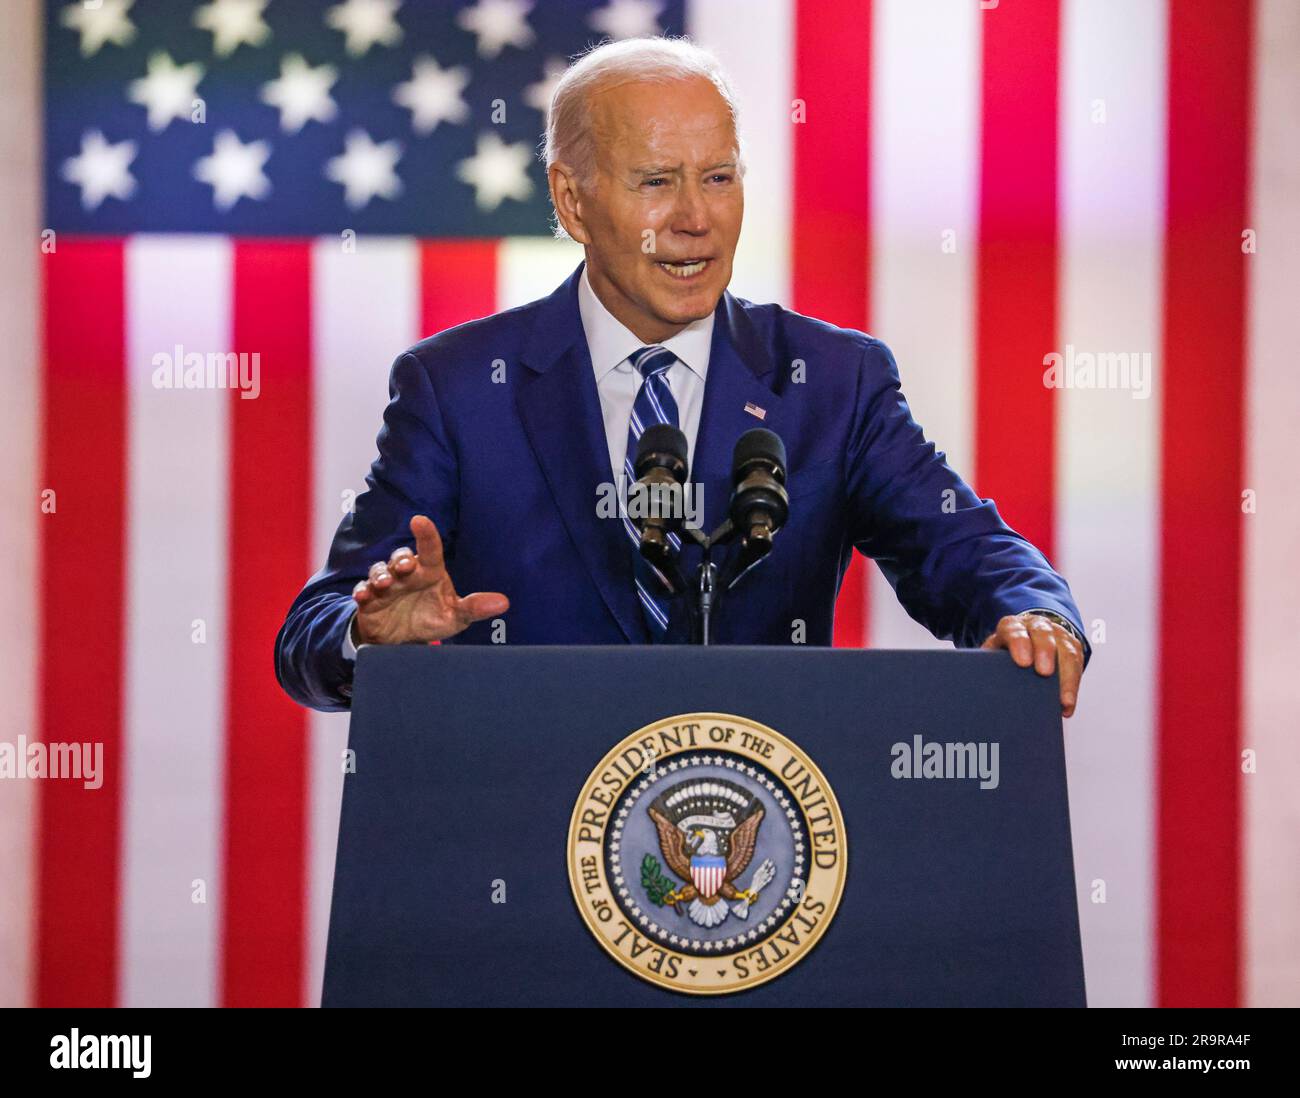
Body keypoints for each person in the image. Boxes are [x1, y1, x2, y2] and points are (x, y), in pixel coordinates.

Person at [275, 36, 1088, 715]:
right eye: (657, 182)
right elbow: (312, 632)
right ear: (572, 202)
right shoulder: (455, 389)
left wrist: (1034, 613)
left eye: (719, 177)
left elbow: (965, 546)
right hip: (525, 859)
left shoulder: (834, 382)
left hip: (761, 857)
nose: (696, 218)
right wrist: (370, 637)